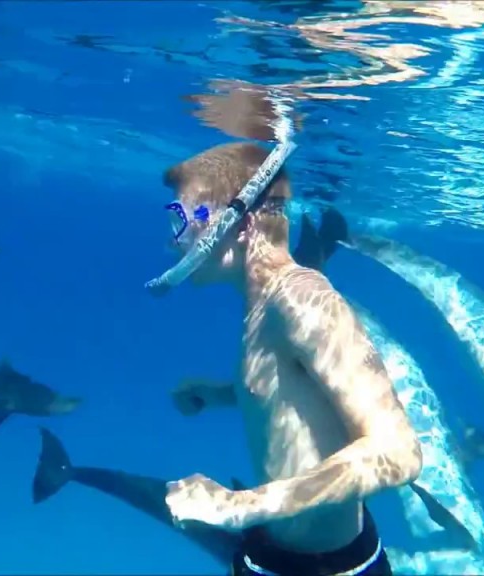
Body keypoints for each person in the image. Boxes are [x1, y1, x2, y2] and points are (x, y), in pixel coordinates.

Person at [154, 86, 423, 576]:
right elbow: (299, 396)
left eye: (182, 217)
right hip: (274, 556)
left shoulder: (298, 298)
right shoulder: (261, 302)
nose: (172, 239)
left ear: (242, 223)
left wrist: (237, 507)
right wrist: (221, 393)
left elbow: (398, 451)